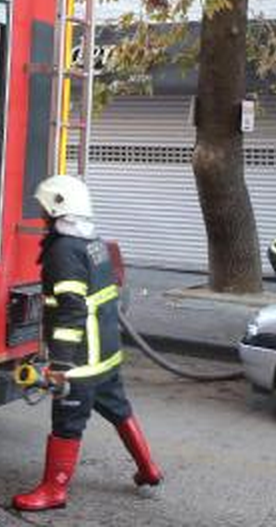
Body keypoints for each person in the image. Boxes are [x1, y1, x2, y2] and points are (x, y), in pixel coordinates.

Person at [12, 175, 162, 511]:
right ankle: (148, 469)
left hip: (82, 361)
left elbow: (70, 310)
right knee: (119, 410)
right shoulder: (92, 242)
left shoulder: (63, 252)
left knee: (67, 422)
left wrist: (61, 366)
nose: (40, 213)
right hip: (106, 355)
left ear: (57, 208)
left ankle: (54, 490)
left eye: (44, 207)